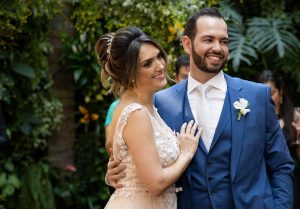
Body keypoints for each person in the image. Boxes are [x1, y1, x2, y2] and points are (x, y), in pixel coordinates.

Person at [107, 7, 294, 209]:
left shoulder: (256, 96)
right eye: (208, 40)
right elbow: (141, 166)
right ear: (187, 44)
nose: (218, 47)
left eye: (223, 41)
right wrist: (112, 176)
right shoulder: (159, 103)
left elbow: (281, 166)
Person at [95, 26, 202, 209]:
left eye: (159, 56)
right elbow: (156, 183)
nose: (160, 66)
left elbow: (130, 163)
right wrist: (186, 153)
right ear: (129, 72)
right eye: (147, 63)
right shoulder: (136, 112)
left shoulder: (147, 105)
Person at [258, 69, 298, 209]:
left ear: (280, 93)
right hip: (261, 183)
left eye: (271, 93)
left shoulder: (295, 117)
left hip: (290, 181)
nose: (267, 97)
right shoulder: (255, 118)